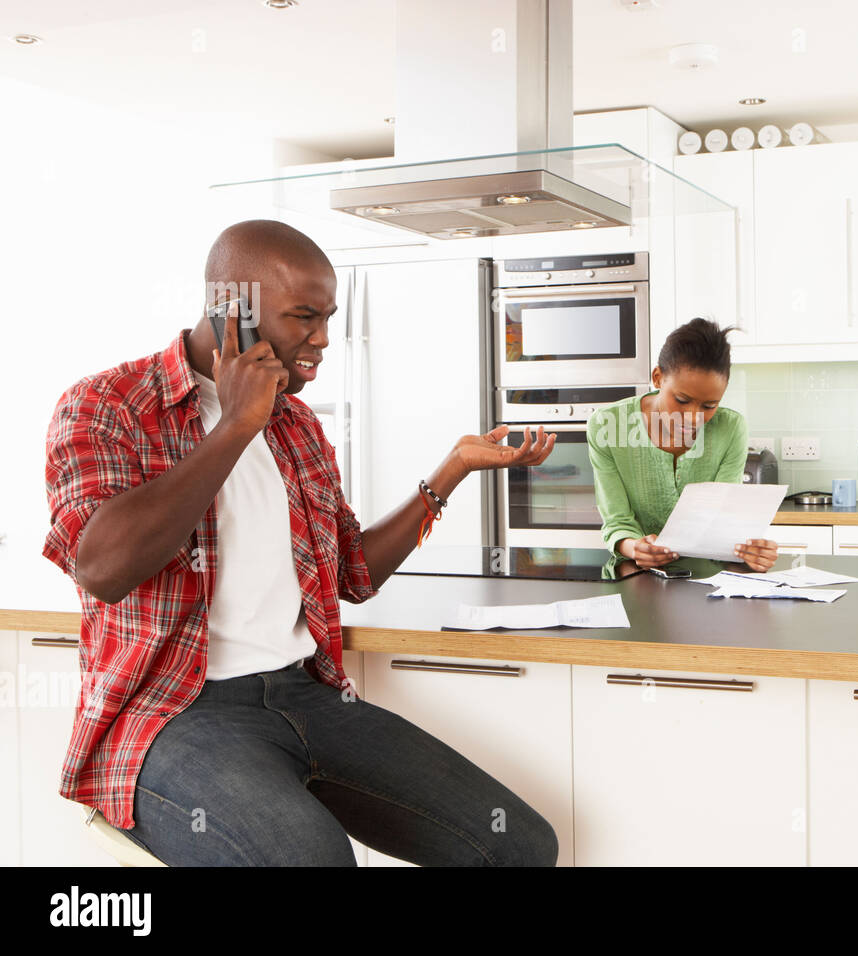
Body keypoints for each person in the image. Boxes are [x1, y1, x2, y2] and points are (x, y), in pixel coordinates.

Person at [42, 219, 560, 866]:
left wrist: (451, 470)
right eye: (303, 318)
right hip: (170, 715)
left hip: (305, 695)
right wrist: (233, 425)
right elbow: (103, 568)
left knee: (517, 845)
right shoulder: (106, 406)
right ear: (233, 311)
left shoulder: (295, 424)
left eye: (328, 318)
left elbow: (353, 575)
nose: (321, 341)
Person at [587, 318, 778, 572]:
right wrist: (636, 547)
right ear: (658, 378)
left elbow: (722, 523)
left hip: (708, 581)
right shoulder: (606, 425)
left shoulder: (730, 428)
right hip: (636, 576)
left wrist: (751, 551)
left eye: (709, 406)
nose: (693, 417)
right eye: (682, 400)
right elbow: (617, 521)